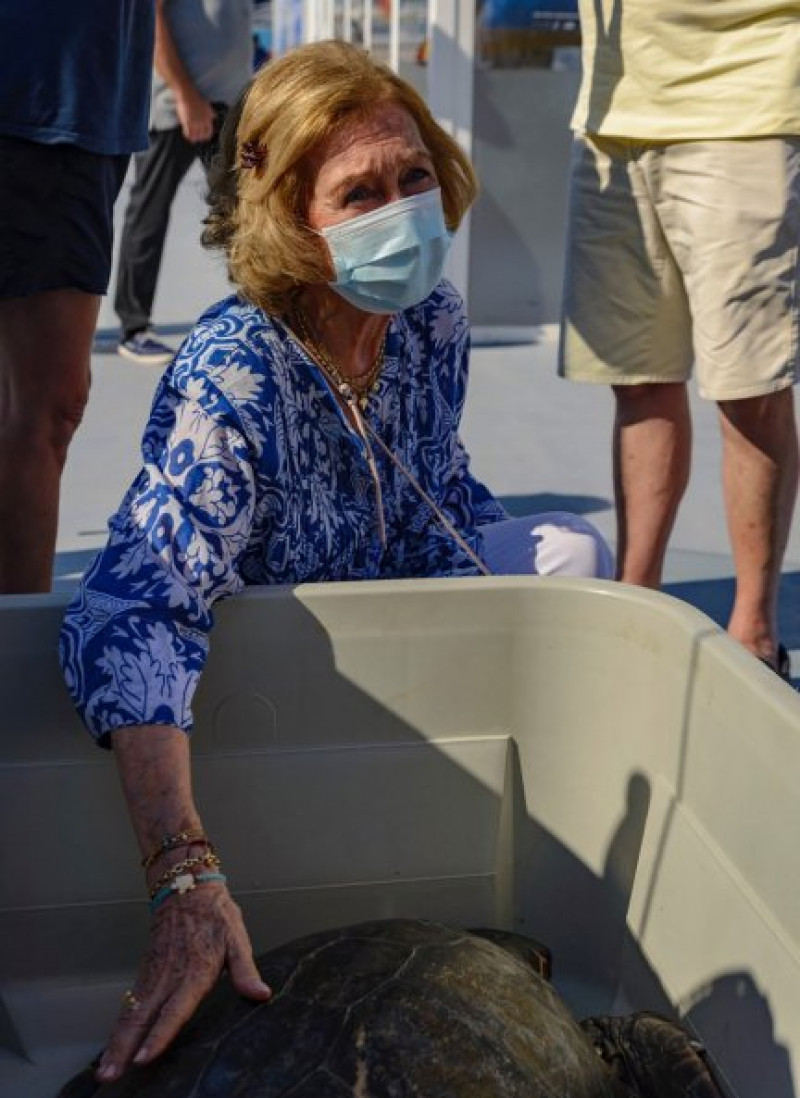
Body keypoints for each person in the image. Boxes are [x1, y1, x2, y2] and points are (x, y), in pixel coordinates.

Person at [60, 39, 613, 1081]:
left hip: (395, 621)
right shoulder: (237, 370)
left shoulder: (428, 322)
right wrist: (182, 876)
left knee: (575, 558)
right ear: (291, 221)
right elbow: (129, 612)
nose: (402, 211)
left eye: (413, 178)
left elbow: (438, 496)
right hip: (274, 689)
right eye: (359, 193)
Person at [559, 1, 800, 681]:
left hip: (746, 102)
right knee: (636, 379)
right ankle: (638, 602)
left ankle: (754, 625)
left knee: (748, 387)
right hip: (612, 113)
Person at [0, 1, 155, 594]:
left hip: (88, 100)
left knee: (41, 408)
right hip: (38, 97)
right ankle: (14, 660)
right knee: (45, 408)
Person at [114, 0, 254, 367]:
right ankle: (134, 326)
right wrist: (184, 95)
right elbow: (152, 19)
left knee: (244, 210)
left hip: (227, 105)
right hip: (178, 107)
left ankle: (259, 310)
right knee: (149, 211)